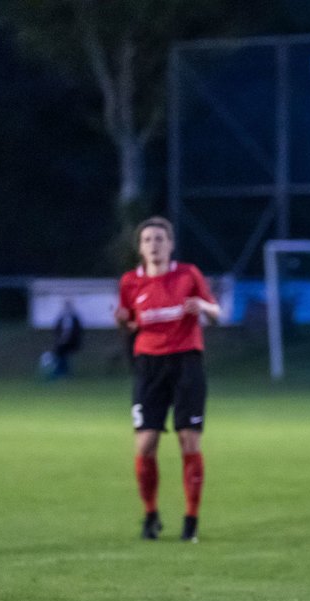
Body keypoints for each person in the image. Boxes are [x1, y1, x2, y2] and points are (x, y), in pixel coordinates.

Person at [114, 216, 222, 542]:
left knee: (188, 440)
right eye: (147, 239)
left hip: (187, 363)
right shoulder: (130, 282)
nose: (154, 244)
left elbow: (216, 314)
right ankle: (150, 514)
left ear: (170, 244)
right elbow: (130, 323)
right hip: (148, 366)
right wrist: (121, 321)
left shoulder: (188, 274)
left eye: (160, 238)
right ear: (140, 247)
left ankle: (191, 519)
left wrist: (201, 305)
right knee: (145, 445)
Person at [51, 299, 83, 378]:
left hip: (70, 343)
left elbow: (76, 332)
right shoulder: (62, 318)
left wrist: (67, 339)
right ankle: (60, 372)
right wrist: (60, 339)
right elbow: (57, 329)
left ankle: (62, 373)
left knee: (62, 354)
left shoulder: (73, 318)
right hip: (62, 343)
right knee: (60, 355)